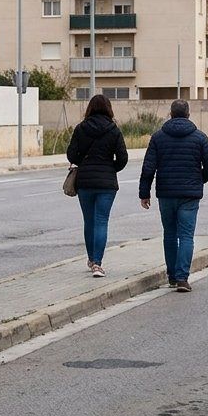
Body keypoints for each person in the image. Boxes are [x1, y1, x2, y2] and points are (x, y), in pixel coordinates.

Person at [138, 100, 208, 292]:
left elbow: (148, 167)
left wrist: (144, 192)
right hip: (190, 194)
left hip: (166, 193)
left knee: (170, 234)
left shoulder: (158, 137)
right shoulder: (200, 137)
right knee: (186, 236)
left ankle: (172, 276)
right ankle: (183, 278)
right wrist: (200, 179)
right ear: (188, 114)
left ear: (171, 114)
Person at [67, 94, 129, 278]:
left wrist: (82, 163)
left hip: (85, 181)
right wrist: (111, 168)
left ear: (90, 108)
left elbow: (71, 154)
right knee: (101, 221)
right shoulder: (114, 130)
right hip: (106, 183)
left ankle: (91, 259)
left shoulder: (81, 128)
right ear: (109, 109)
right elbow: (123, 157)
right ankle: (98, 264)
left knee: (89, 221)